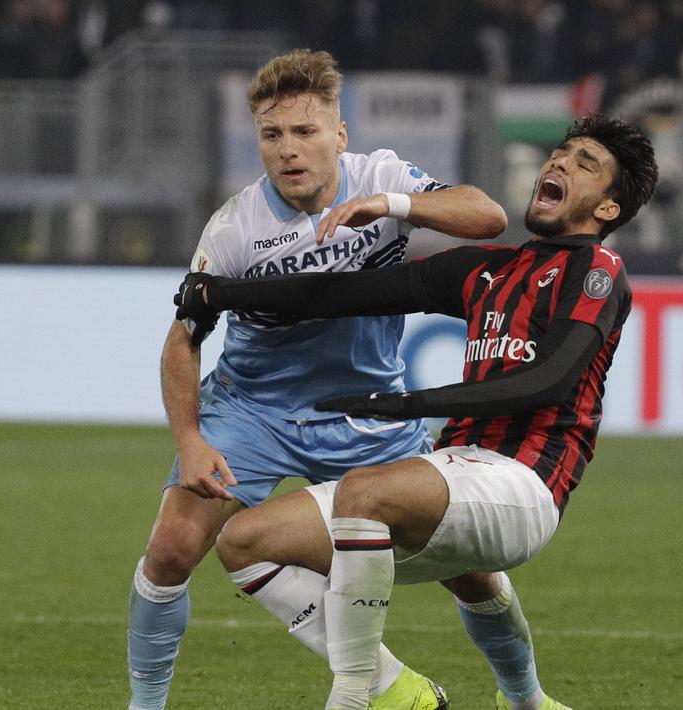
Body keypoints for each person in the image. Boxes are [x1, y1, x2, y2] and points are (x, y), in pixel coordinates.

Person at [174, 113, 657, 710]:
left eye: (586, 163)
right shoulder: (487, 270)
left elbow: (546, 382)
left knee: (366, 491)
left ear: (608, 209)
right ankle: (444, 694)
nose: (559, 162)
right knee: (245, 541)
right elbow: (341, 293)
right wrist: (220, 292)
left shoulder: (598, 271)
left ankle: (353, 699)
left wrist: (405, 405)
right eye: (561, 152)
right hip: (460, 470)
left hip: (526, 484)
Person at [126, 49, 508, 710]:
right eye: (271, 135)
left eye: (304, 132)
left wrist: (392, 204)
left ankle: (523, 696)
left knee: (471, 568)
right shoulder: (235, 229)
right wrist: (190, 439)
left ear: (339, 135)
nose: (287, 150)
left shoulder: (381, 177)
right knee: (171, 548)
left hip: (369, 411)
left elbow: (486, 217)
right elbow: (181, 339)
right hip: (255, 410)